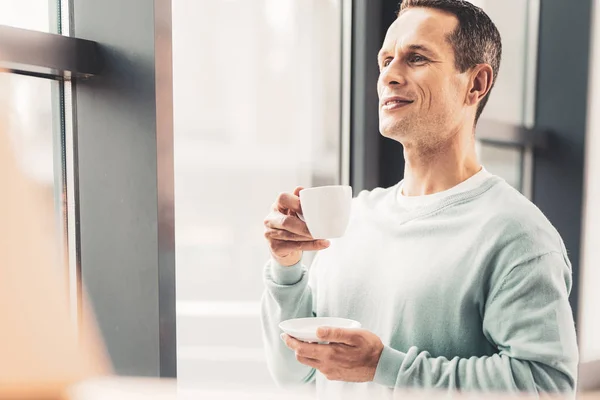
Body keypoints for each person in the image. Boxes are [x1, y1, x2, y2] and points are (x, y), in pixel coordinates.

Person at [260, 0, 579, 398]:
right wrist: (286, 268)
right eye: (386, 59)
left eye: (416, 58)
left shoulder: (518, 236)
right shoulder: (353, 220)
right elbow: (295, 376)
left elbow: (547, 386)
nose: (389, 76)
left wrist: (384, 367)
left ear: (476, 84)